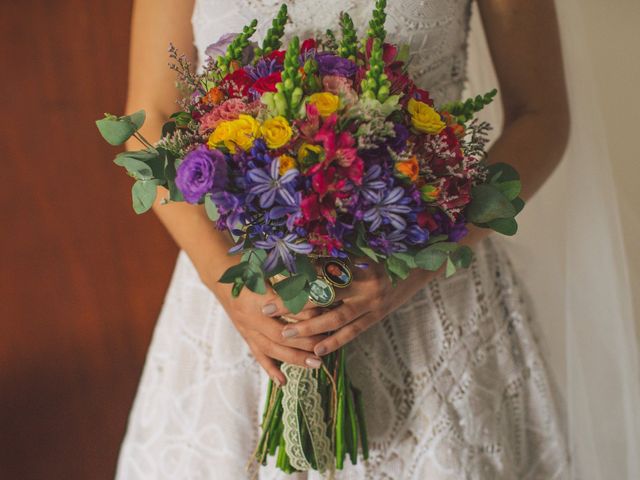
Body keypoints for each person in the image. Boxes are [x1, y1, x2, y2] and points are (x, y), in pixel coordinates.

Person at [117, 0, 571, 478]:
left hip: (430, 281)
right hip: (241, 291)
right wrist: (230, 288)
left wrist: (415, 271)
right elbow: (152, 117)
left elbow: (541, 117)